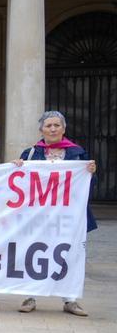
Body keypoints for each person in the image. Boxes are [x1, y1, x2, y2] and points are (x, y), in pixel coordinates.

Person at [13, 110, 98, 317]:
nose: (52, 129)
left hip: (68, 217)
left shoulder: (77, 153)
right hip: (39, 216)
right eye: (48, 125)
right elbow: (21, 184)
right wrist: (16, 168)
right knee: (34, 253)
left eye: (56, 125)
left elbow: (87, 187)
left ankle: (70, 299)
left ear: (64, 129)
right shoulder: (31, 153)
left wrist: (90, 173)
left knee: (70, 254)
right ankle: (30, 295)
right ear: (41, 129)